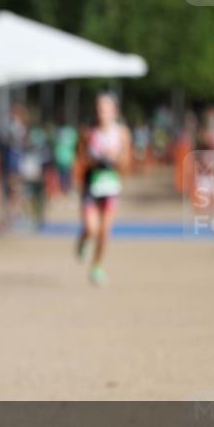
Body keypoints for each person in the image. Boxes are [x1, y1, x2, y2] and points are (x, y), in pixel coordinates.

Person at [75, 91, 131, 286]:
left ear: (114, 111)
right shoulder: (88, 132)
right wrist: (96, 159)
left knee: (104, 231)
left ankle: (96, 266)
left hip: (111, 186)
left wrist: (115, 158)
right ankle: (83, 240)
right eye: (99, 108)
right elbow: (81, 159)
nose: (102, 112)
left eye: (106, 108)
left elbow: (126, 165)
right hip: (92, 184)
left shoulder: (122, 133)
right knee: (92, 228)